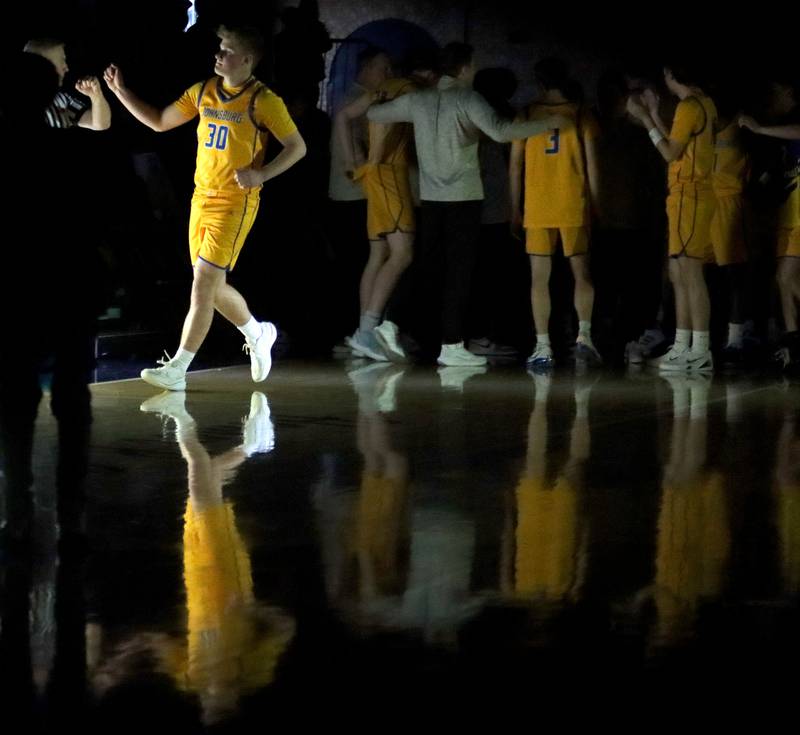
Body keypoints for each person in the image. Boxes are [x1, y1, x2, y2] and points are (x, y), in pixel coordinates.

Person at [103, 24, 307, 391]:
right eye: (219, 47)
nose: (218, 54)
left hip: (235, 204)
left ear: (246, 59)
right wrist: (120, 91)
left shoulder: (264, 100)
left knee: (201, 288)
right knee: (211, 287)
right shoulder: (204, 91)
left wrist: (262, 173)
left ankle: (177, 369)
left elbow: (297, 147)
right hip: (202, 200)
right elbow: (160, 122)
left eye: (226, 50)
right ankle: (257, 332)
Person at [367, 42, 567, 367]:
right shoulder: (466, 98)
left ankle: (392, 322)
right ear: (463, 68)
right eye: (471, 66)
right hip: (463, 199)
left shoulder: (420, 99)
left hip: (431, 199)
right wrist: (548, 124)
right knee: (458, 274)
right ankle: (451, 345)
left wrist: (378, 100)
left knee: (427, 267)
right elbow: (502, 132)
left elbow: (375, 113)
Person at [335, 50, 438, 362]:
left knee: (378, 253)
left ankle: (362, 331)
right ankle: (368, 331)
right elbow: (380, 121)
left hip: (377, 176)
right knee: (403, 252)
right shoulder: (408, 90)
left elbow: (343, 116)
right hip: (389, 176)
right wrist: (373, 158)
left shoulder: (382, 90)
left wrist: (354, 160)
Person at [509, 58, 602, 369]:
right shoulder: (579, 113)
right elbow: (592, 164)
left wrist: (514, 207)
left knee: (539, 279)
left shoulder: (527, 114)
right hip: (572, 203)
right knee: (582, 275)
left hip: (537, 204)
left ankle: (542, 345)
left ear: (539, 82)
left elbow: (515, 164)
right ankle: (585, 338)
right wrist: (596, 203)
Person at [628, 61, 718, 372]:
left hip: (692, 197)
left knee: (691, 274)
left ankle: (701, 348)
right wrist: (652, 113)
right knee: (679, 274)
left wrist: (643, 118)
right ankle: (682, 346)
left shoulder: (692, 105)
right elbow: (677, 144)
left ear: (671, 75)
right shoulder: (695, 104)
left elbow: (669, 152)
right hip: (683, 198)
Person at [24, 37, 111, 130]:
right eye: (61, 60)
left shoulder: (61, 99)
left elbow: (101, 124)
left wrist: (96, 96)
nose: (66, 68)